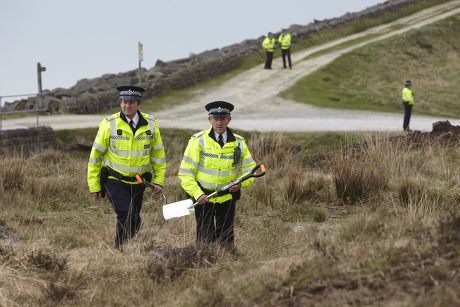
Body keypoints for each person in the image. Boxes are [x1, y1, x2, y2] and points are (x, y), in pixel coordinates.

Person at [87, 85, 166, 250]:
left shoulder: (151, 124)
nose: (126, 106)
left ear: (138, 103)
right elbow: (95, 157)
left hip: (139, 181)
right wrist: (94, 185)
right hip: (114, 179)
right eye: (124, 101)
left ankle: (129, 248)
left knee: (135, 220)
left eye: (130, 102)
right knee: (127, 214)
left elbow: (158, 156)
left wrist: (158, 181)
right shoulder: (109, 124)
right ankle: (120, 249)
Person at [178, 101, 257, 254]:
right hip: (203, 197)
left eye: (223, 118)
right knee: (205, 239)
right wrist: (197, 193)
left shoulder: (239, 143)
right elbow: (185, 173)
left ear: (229, 119)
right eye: (215, 118)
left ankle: (227, 267)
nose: (219, 122)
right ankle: (204, 267)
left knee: (226, 239)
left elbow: (250, 169)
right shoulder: (198, 141)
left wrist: (241, 183)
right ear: (209, 120)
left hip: (227, 198)